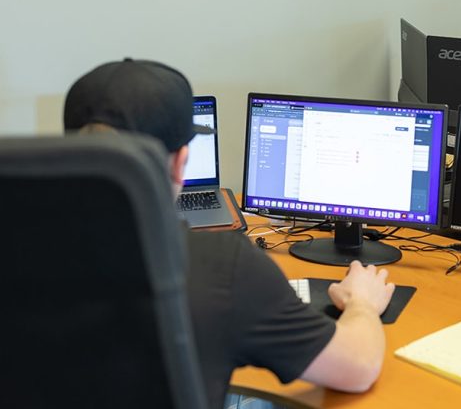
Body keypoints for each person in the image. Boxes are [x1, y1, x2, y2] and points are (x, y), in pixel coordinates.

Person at [63, 58, 395, 408]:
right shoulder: (222, 265)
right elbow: (359, 366)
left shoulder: (18, 251)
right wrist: (362, 303)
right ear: (180, 162)